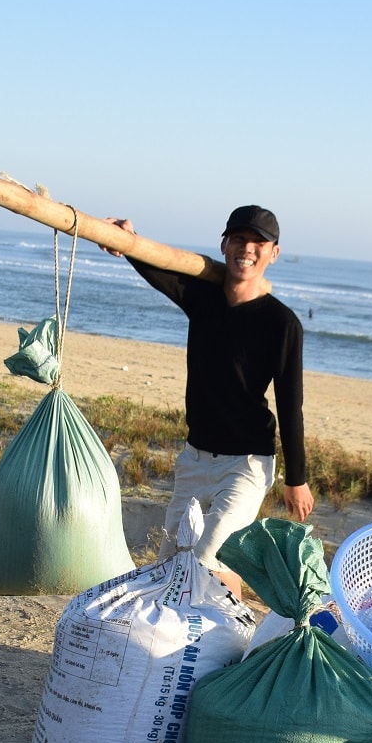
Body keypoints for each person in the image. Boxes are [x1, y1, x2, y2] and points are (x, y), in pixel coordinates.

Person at [107, 206, 314, 593]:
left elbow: (290, 403)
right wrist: (127, 242)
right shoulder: (202, 299)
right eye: (239, 240)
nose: (247, 249)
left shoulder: (282, 324)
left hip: (246, 465)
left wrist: (297, 479)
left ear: (274, 253)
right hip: (194, 459)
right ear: (224, 245)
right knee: (171, 564)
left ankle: (231, 636)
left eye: (258, 243)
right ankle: (212, 637)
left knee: (205, 561)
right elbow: (160, 271)